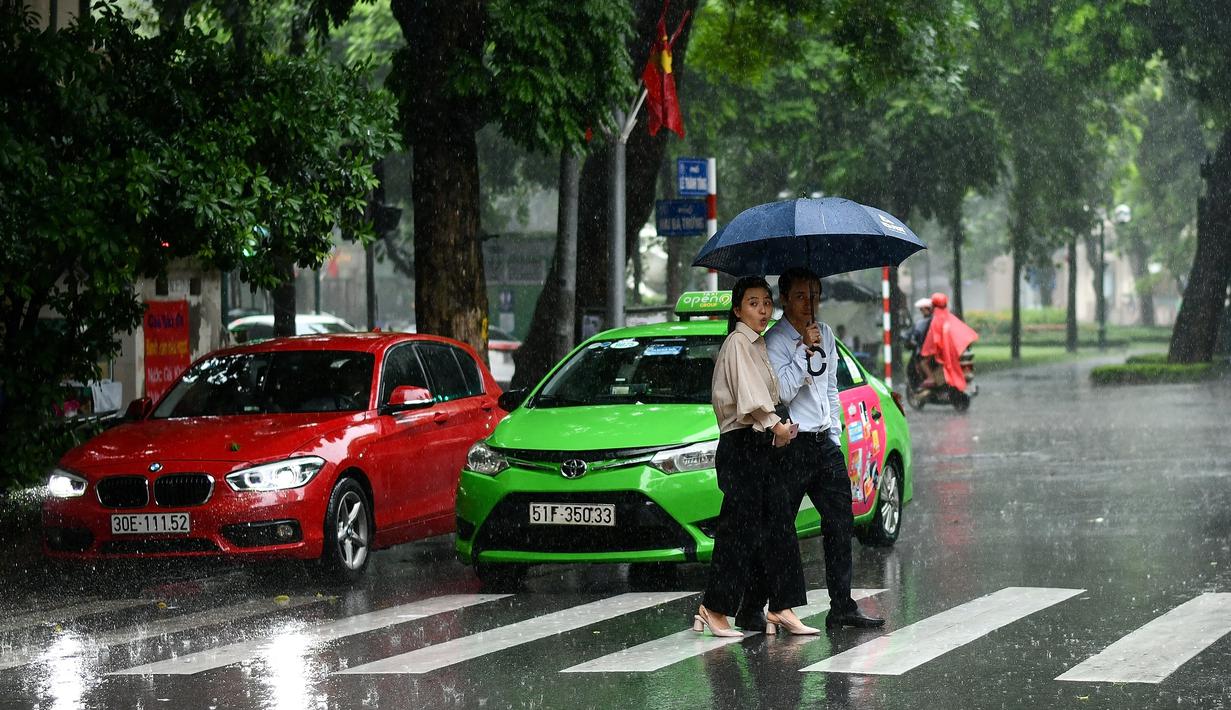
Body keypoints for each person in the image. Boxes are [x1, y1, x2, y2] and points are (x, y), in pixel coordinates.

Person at [763, 267, 885, 630]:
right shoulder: (775, 342)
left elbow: (830, 388)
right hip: (792, 446)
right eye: (801, 296)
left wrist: (835, 435)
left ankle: (842, 605)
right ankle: (775, 605)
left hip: (823, 443)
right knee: (780, 526)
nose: (809, 304)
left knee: (839, 522)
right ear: (785, 299)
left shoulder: (827, 334)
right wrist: (804, 351)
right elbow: (782, 393)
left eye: (814, 295)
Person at [695, 275, 814, 638]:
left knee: (779, 526)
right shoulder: (737, 343)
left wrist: (775, 428)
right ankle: (714, 608)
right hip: (741, 445)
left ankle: (781, 606)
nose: (763, 309)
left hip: (761, 444)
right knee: (738, 532)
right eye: (753, 303)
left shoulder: (757, 344)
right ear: (737, 310)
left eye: (766, 302)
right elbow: (751, 400)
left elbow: (772, 392)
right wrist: (774, 423)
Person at [920, 292, 979, 392]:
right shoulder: (950, 317)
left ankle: (931, 379)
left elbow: (933, 340)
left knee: (924, 362)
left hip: (944, 352)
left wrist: (927, 350)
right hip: (955, 350)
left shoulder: (936, 319)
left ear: (933, 305)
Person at [909, 297, 937, 386]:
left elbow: (918, 333)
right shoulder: (935, 319)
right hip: (934, 347)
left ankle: (930, 378)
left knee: (922, 363)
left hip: (929, 348)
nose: (921, 311)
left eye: (922, 309)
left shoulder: (925, 322)